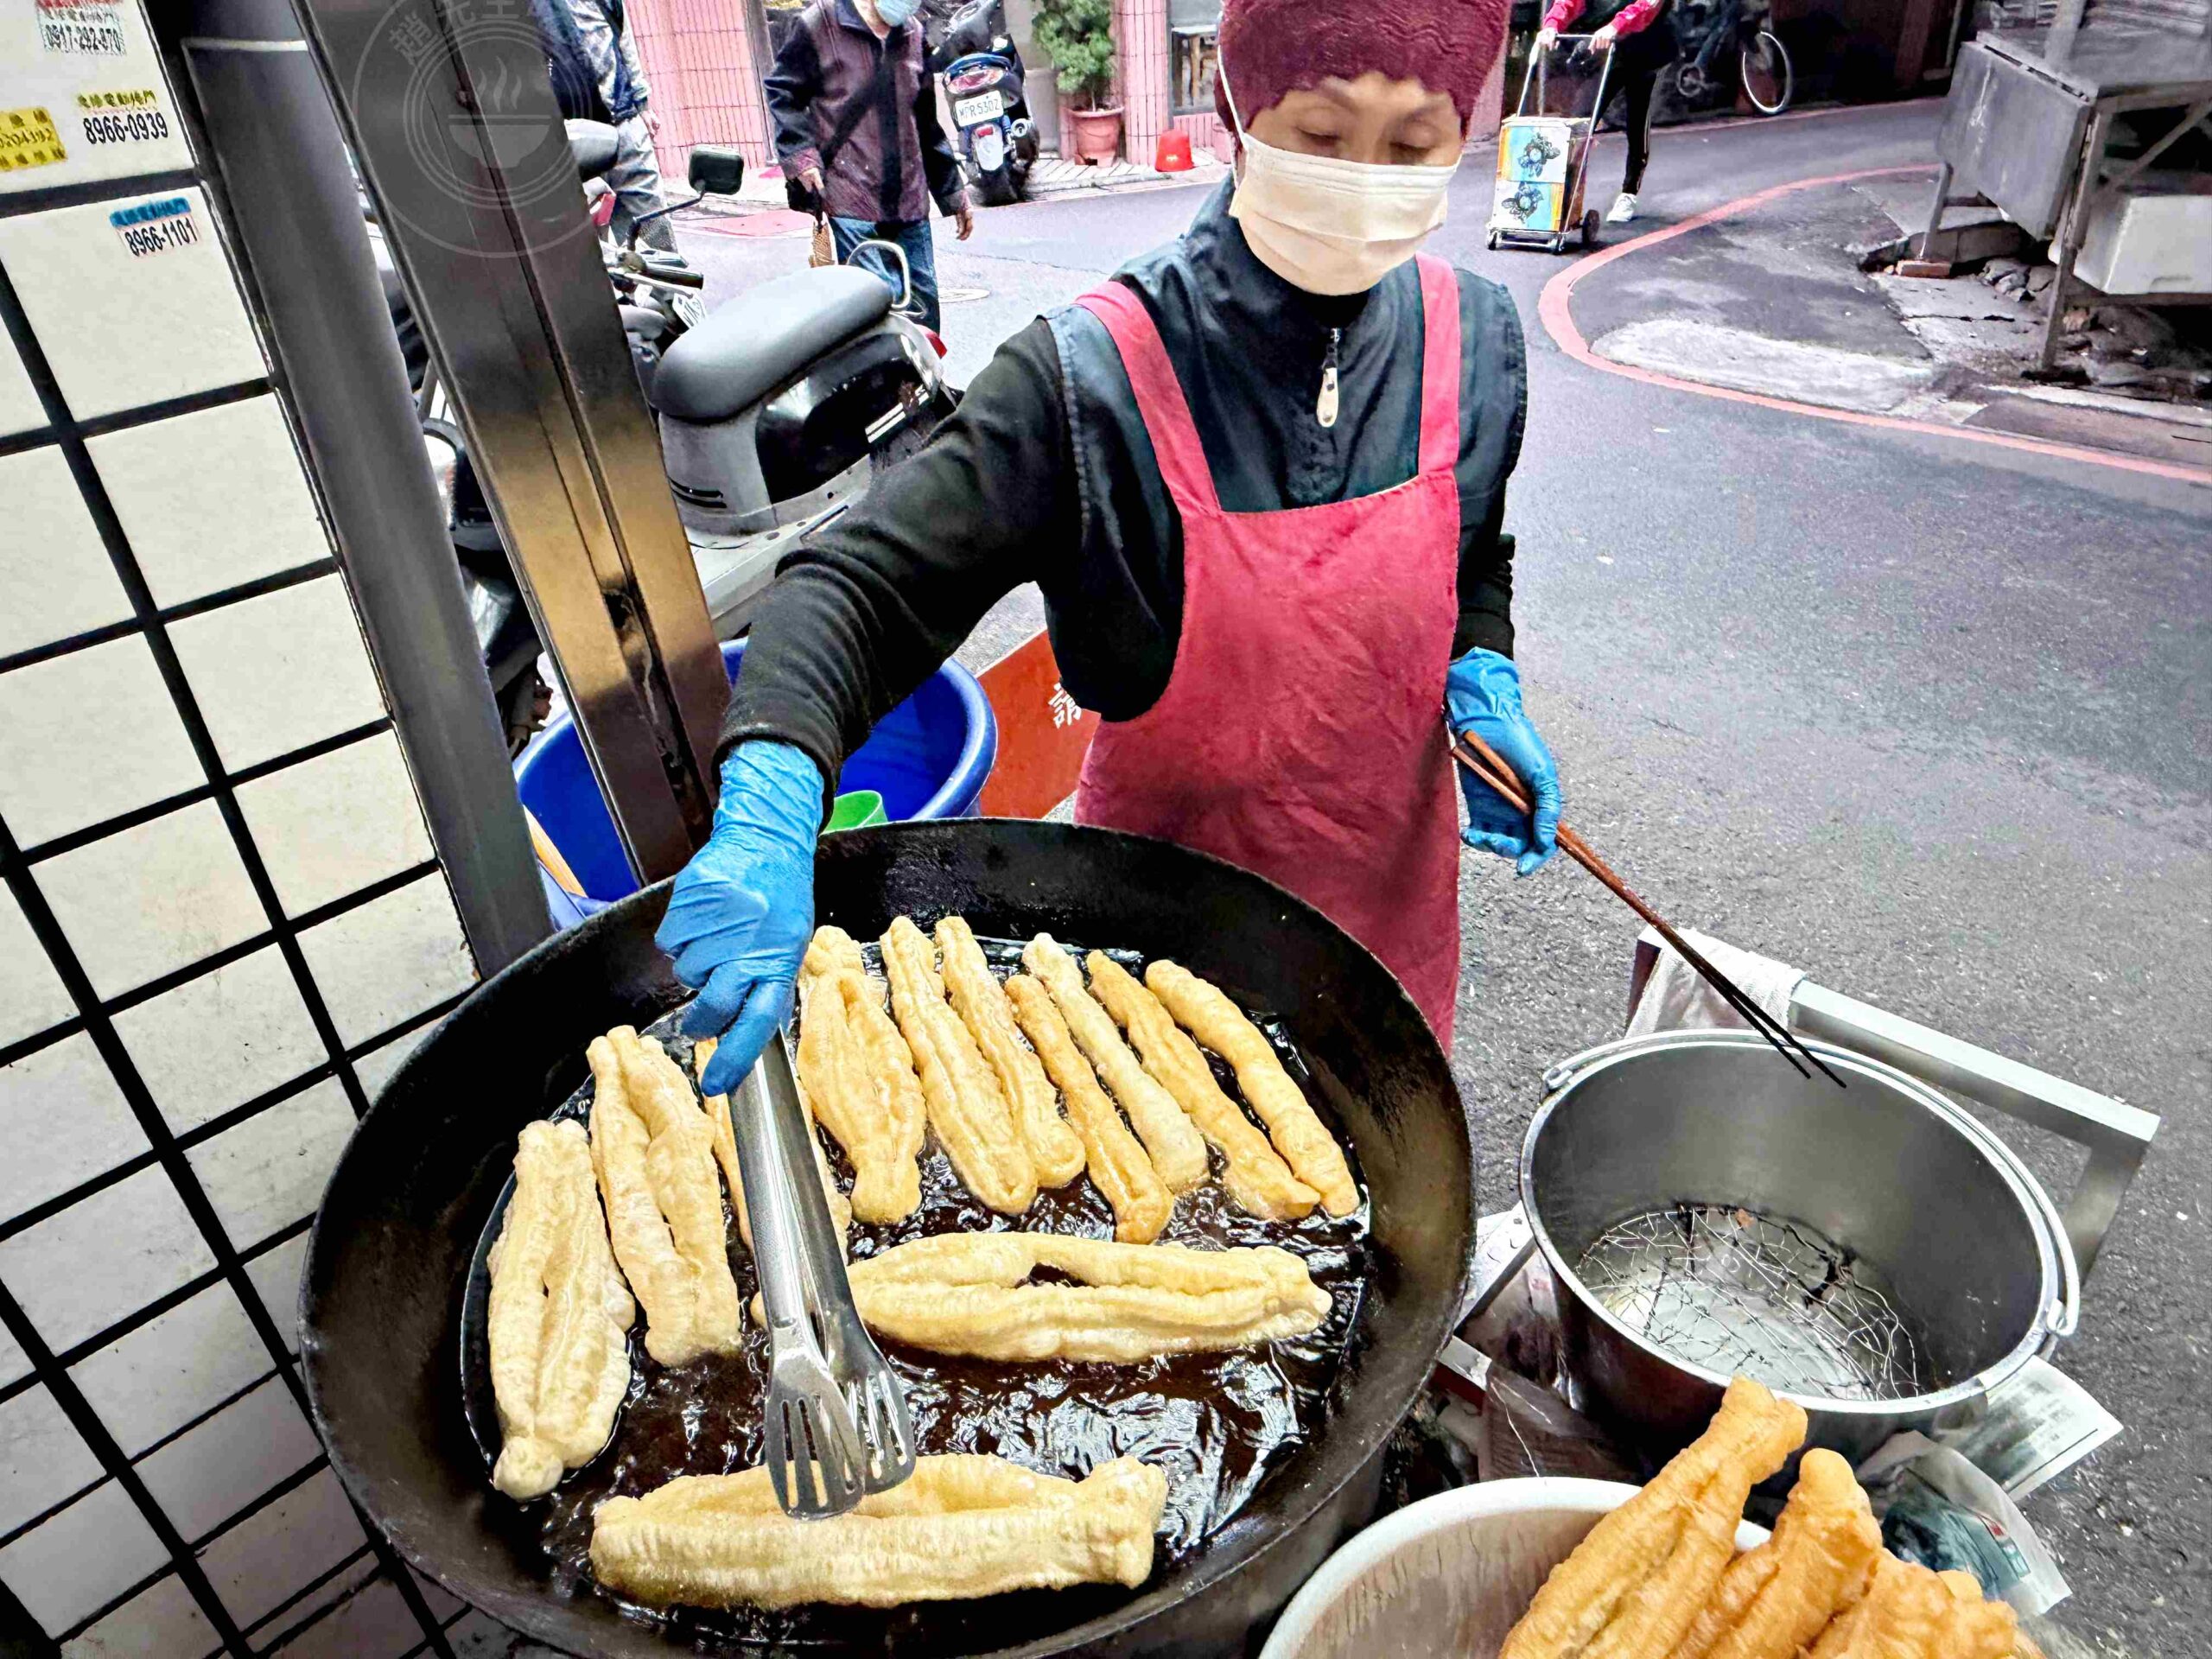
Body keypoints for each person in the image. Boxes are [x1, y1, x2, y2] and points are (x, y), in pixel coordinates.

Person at [663, 0, 1563, 1097]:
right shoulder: (1089, 381)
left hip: (1390, 930)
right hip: (1160, 957)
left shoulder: (1472, 339)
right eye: (1324, 137)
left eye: (1415, 146)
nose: (1366, 180)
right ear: (1239, 110)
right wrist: (770, 791)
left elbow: (1473, 553)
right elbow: (862, 586)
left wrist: (1482, 666)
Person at [766, 0, 976, 332]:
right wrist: (801, 156)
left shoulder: (913, 32)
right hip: (850, 198)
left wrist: (953, 192)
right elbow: (783, 91)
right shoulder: (820, 23)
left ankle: (918, 384)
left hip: (909, 200)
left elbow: (926, 123)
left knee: (924, 317)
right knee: (875, 313)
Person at [534, 0, 677, 251]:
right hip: (572, 137)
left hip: (624, 125)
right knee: (589, 248)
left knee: (654, 227)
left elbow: (625, 42)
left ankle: (664, 290)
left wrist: (642, 106)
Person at [1534, 0, 1670, 224]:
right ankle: (1557, 193)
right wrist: (1551, 24)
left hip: (1647, 47)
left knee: (1637, 120)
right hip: (1608, 50)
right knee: (1581, 121)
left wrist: (1616, 25)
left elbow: (1647, 5)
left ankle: (1629, 193)